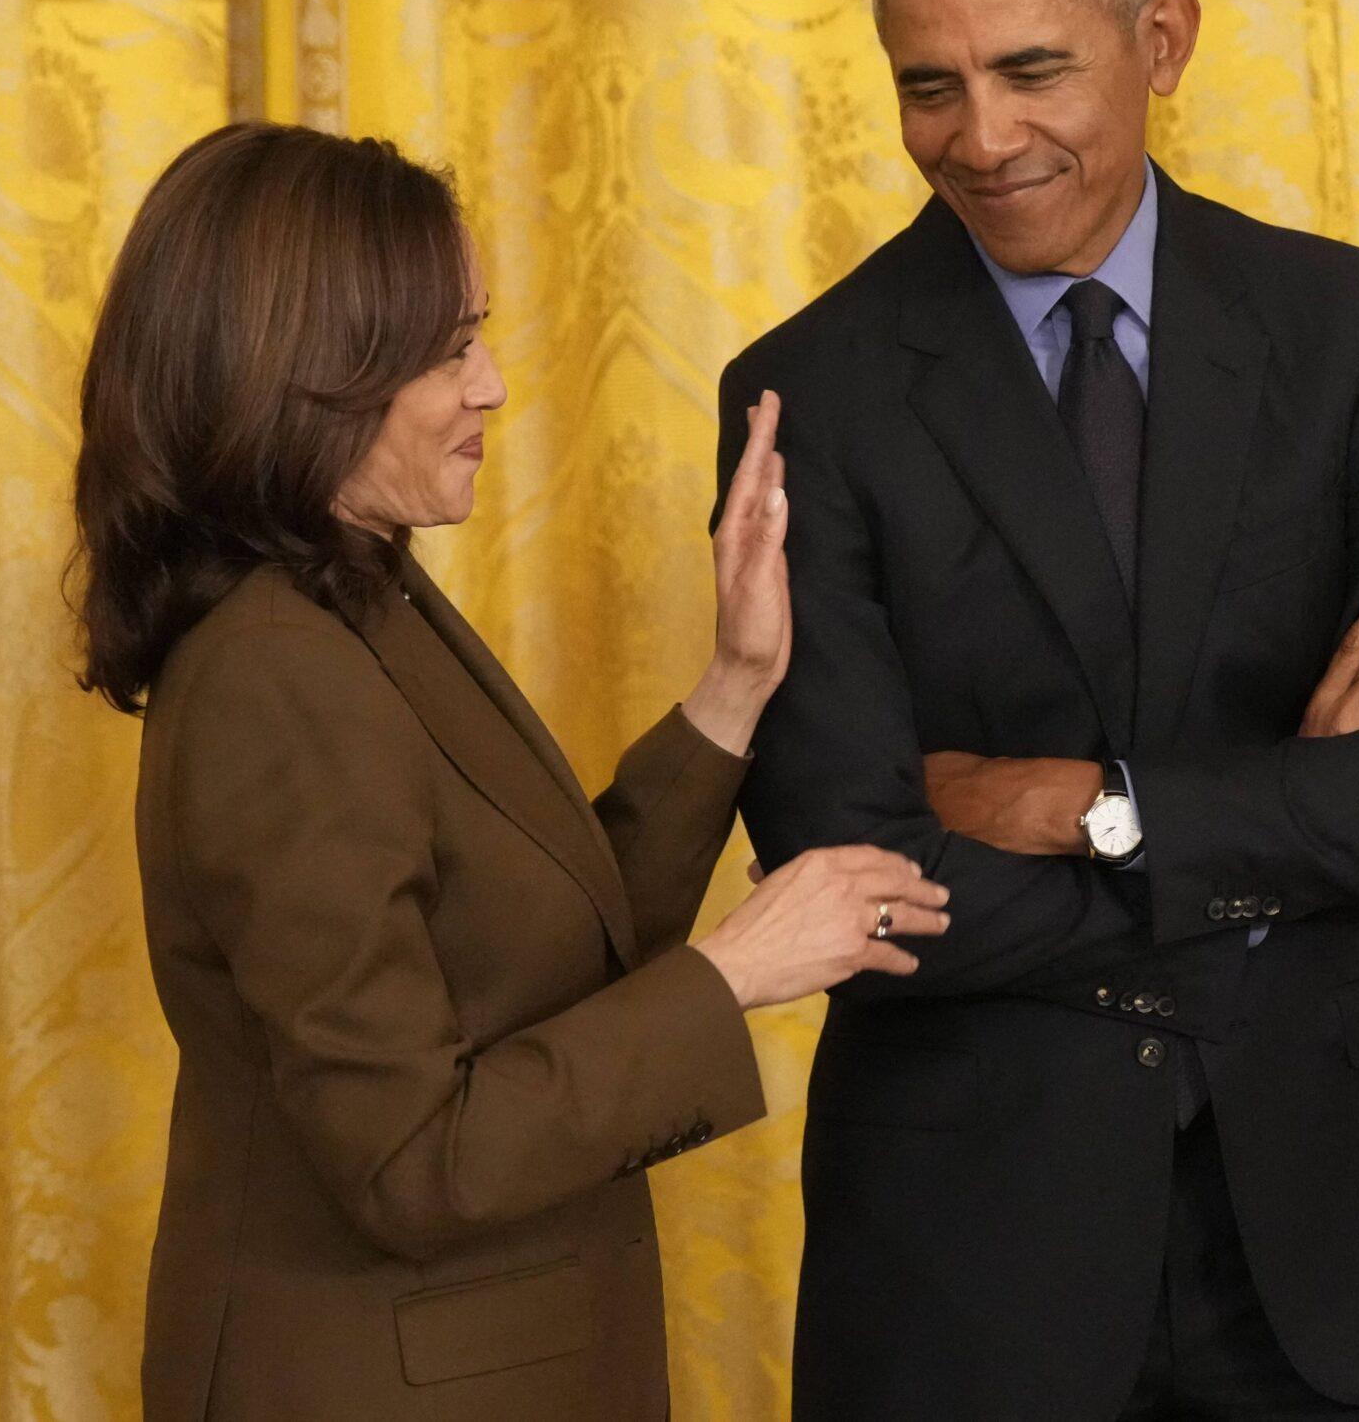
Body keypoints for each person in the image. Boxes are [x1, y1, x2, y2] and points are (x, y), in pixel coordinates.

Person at [715, 0, 1359, 1420]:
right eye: (927, 86)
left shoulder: (1342, 325)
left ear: (1161, 39)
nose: (982, 137)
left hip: (1333, 1251)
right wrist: (1274, 832)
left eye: (1033, 69)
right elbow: (852, 883)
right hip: (972, 1273)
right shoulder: (807, 392)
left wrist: (1092, 810)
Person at [70, 122, 948, 1421]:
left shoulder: (357, 602)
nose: (491, 385)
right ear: (302, 373)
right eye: (446, 350)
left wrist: (736, 684)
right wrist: (738, 971)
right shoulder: (275, 676)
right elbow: (411, 1161)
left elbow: (535, 959)